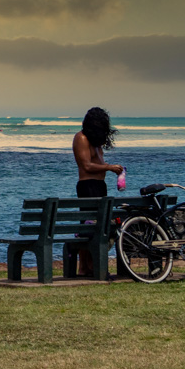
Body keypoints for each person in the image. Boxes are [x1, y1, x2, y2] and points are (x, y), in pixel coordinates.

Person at [73, 107, 123, 276]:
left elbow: (97, 164)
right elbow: (86, 165)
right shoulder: (81, 138)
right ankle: (85, 267)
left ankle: (90, 265)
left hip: (100, 185)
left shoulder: (96, 142)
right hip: (88, 186)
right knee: (89, 225)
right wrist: (109, 167)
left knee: (98, 225)